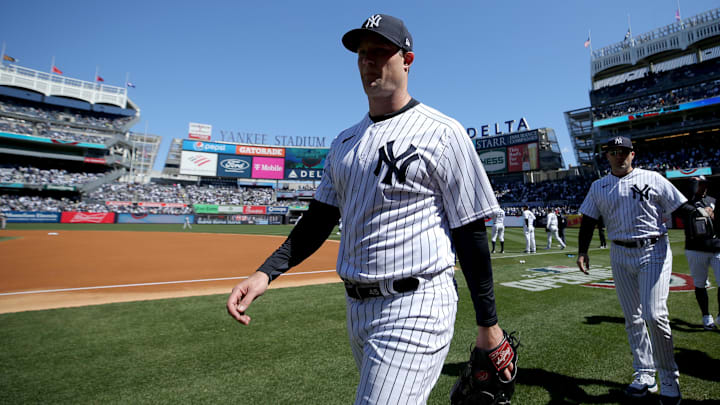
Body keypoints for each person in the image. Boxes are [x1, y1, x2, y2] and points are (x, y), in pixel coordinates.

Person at [226, 14, 515, 405]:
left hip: (417, 303)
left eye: (380, 51)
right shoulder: (344, 142)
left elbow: (470, 231)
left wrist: (489, 324)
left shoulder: (444, 133)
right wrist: (265, 273)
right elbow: (319, 220)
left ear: (407, 60)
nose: (368, 61)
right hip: (357, 309)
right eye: (362, 53)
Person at [576, 136, 695, 405]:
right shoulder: (599, 186)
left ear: (633, 154)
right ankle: (644, 373)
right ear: (606, 156)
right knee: (633, 318)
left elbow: (681, 207)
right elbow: (588, 221)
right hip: (619, 252)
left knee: (655, 314)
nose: (619, 155)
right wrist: (583, 251)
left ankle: (668, 376)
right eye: (613, 152)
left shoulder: (653, 178)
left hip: (653, 250)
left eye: (624, 151)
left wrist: (702, 212)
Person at [682, 176, 720, 330]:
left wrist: (714, 216)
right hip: (695, 249)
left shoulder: (713, 200)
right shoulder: (685, 201)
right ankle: (706, 316)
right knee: (700, 284)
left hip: (717, 246)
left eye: (705, 184)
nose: (703, 188)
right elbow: (682, 209)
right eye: (700, 184)